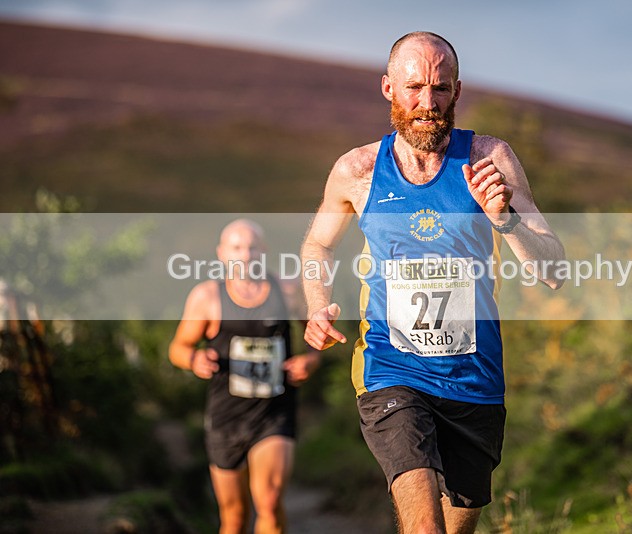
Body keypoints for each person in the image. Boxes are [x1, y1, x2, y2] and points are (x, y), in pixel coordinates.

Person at [301, 32, 565, 533]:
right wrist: (318, 304)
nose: (428, 103)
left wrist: (505, 219)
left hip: (475, 379)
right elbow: (318, 246)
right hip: (390, 370)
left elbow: (553, 270)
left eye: (440, 89)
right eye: (414, 87)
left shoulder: (490, 160)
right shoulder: (357, 171)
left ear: (458, 91)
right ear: (388, 89)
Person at [169, 219, 320, 534]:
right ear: (222, 254)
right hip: (227, 416)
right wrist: (194, 358)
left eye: (252, 247)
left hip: (273, 411)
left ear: (263, 252)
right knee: (234, 516)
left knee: (269, 498)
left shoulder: (288, 290)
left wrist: (309, 360)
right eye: (237, 248)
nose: (246, 254)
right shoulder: (207, 297)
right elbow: (178, 348)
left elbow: (316, 336)